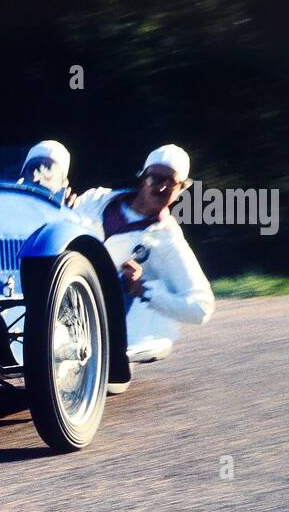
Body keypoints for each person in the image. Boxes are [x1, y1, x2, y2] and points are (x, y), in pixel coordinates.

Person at [72, 145, 214, 361]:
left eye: (172, 183)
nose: (162, 187)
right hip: (58, 291)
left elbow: (201, 307)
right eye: (155, 179)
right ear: (143, 178)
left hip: (98, 323)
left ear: (181, 189)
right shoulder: (94, 200)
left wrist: (145, 291)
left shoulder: (168, 240)